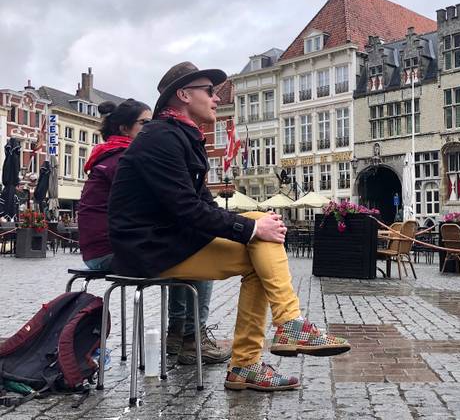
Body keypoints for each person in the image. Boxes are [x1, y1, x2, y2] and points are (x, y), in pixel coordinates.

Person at [108, 61, 350, 392]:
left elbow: (202, 205)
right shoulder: (161, 139)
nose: (216, 99)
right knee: (257, 239)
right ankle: (266, 346)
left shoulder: (179, 136)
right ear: (183, 95)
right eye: (209, 91)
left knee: (259, 238)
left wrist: (252, 226)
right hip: (148, 250)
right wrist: (250, 230)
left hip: (169, 241)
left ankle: (267, 346)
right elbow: (187, 208)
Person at [77, 99, 229, 365]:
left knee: (184, 250)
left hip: (99, 249)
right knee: (200, 253)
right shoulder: (126, 157)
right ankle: (192, 337)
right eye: (145, 124)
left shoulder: (108, 154)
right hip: (114, 250)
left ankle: (177, 334)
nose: (151, 130)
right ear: (125, 128)